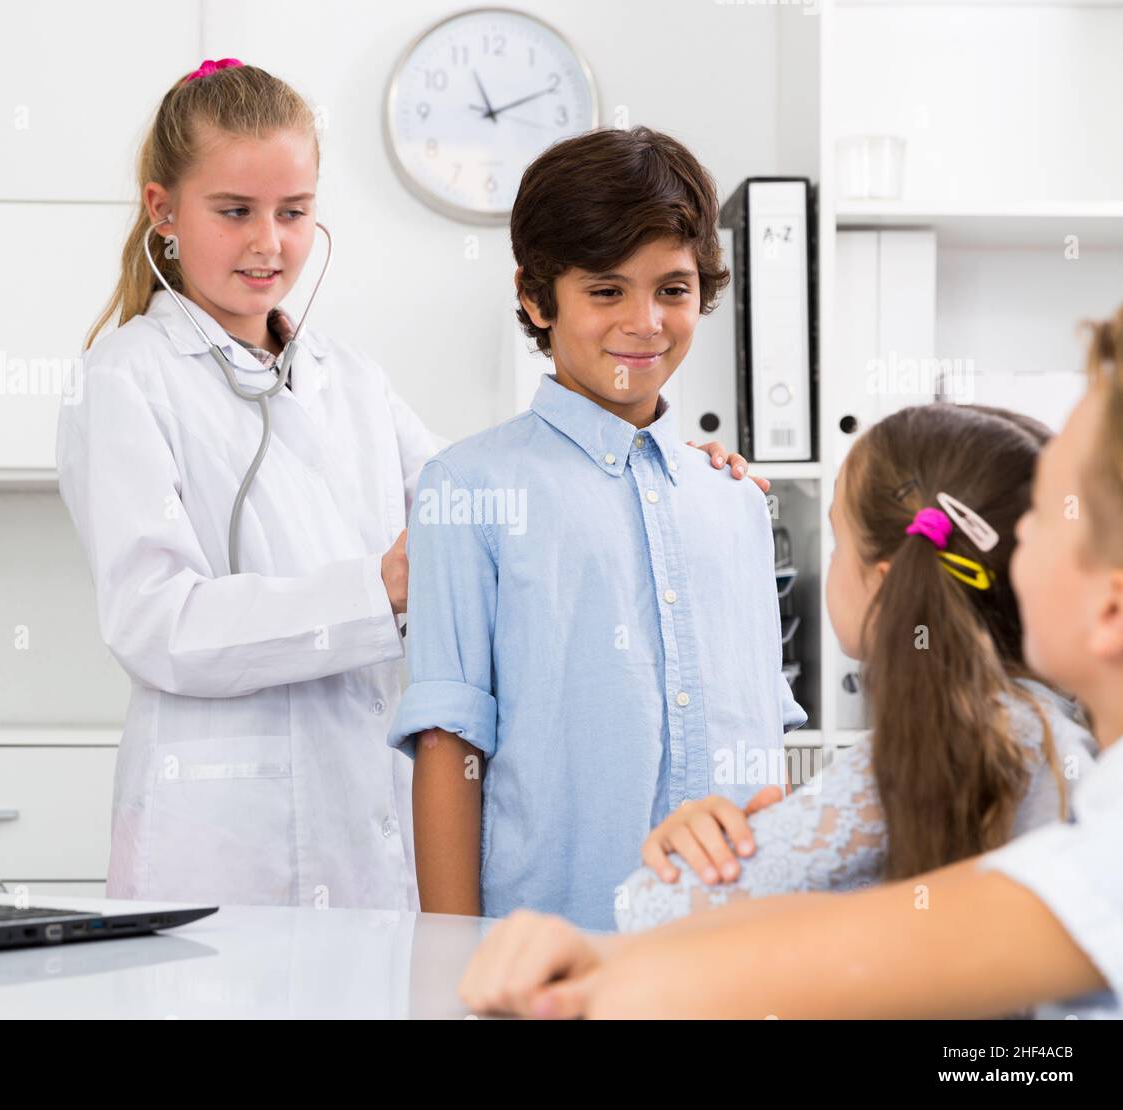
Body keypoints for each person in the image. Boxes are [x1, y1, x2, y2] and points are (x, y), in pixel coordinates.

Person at [60, 65, 758, 911]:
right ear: (163, 210)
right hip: (219, 822)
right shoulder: (125, 378)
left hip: (363, 820)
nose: (269, 243)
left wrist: (673, 470)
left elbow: (496, 501)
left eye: (294, 211)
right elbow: (154, 622)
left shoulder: (343, 377)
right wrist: (378, 591)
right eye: (235, 211)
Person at [458, 305, 1123, 1018]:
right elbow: (918, 936)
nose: (1016, 547)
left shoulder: (1008, 772)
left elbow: (658, 909)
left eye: (1045, 520)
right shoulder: (1071, 769)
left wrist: (673, 896)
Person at [386, 127, 805, 931]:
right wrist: (451, 973)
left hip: (729, 949)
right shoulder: (468, 489)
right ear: (538, 297)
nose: (644, 322)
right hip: (553, 952)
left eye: (672, 291)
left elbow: (761, 751)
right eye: (606, 291)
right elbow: (449, 747)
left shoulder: (736, 501)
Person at [615, 403, 1094, 935]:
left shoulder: (941, 747)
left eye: (839, 538)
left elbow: (649, 908)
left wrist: (683, 847)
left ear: (886, 585)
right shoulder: (1045, 720)